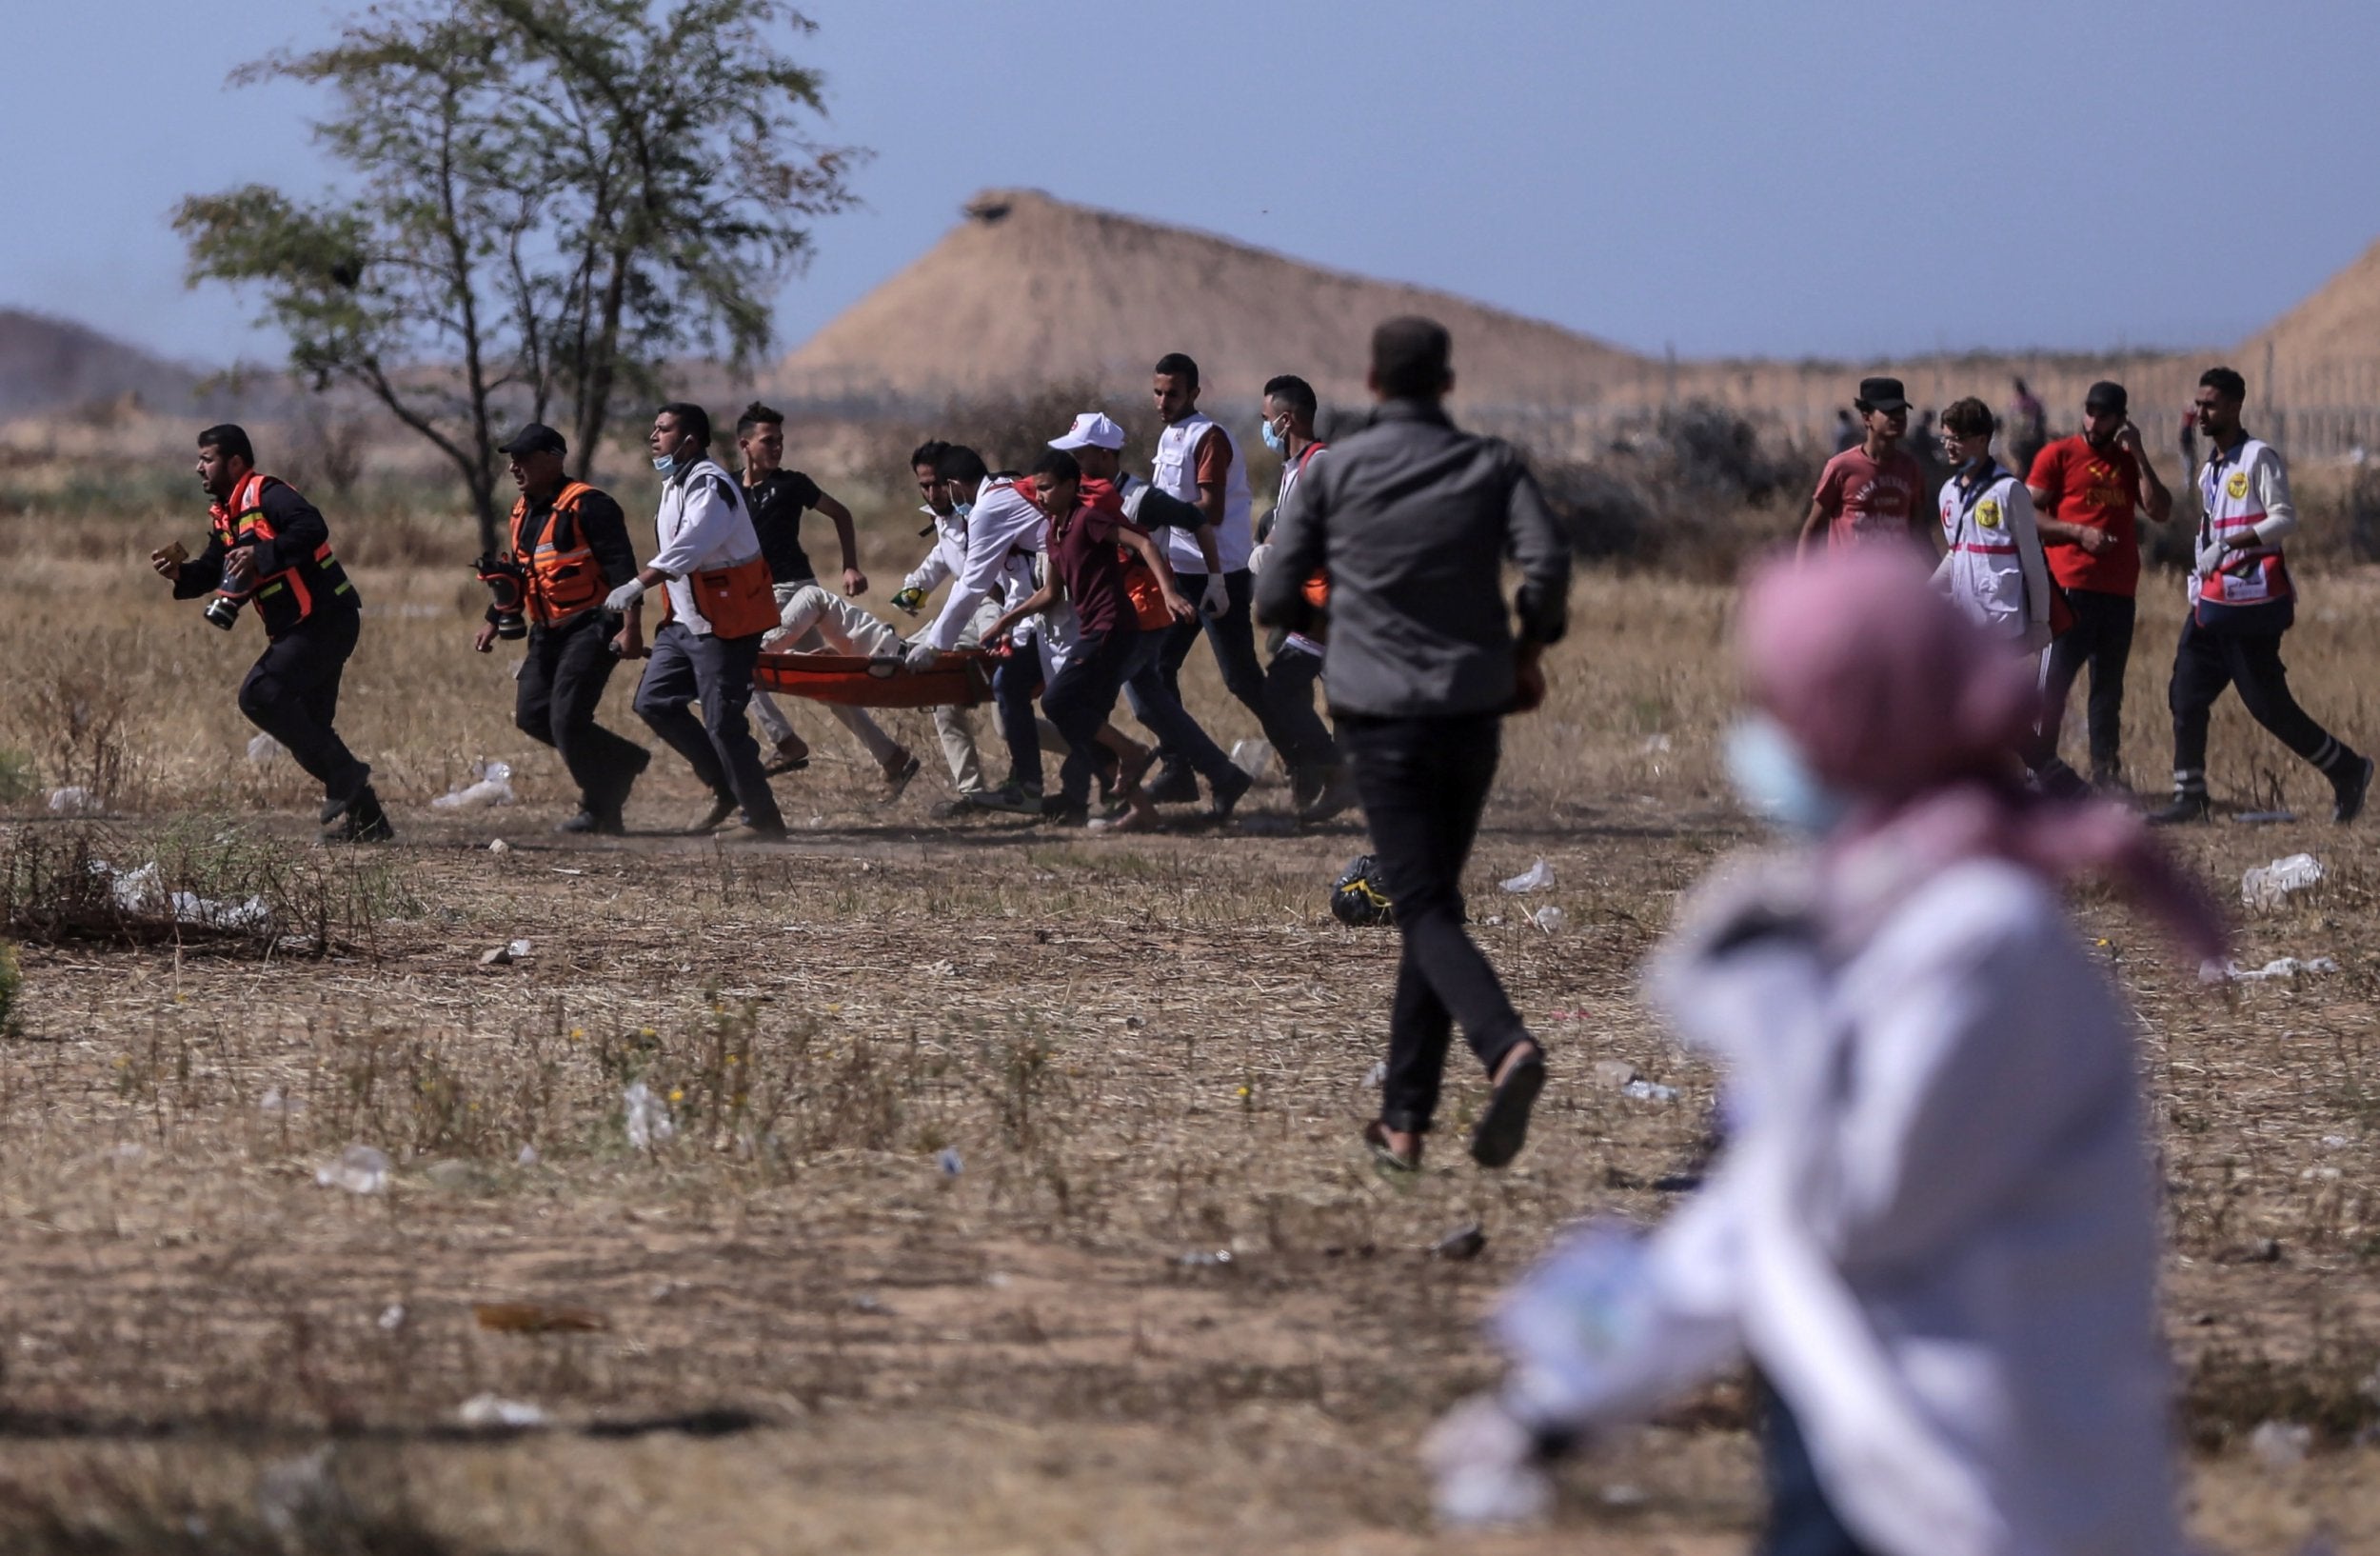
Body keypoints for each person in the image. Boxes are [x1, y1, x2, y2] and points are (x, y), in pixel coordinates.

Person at [1424, 548, 2225, 1556]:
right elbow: (1755, 1210)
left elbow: (1847, 1209)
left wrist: (1766, 1007)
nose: (1765, 738)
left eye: (1785, 706)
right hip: (1859, 1457)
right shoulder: (1876, 909)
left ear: (1861, 717)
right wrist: (1563, 1395)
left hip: (1980, 1495)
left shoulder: (1986, 941)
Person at [1259, 316, 1570, 1171]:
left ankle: (1505, 1046)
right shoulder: (1492, 465)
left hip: (1379, 712)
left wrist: (1348, 624)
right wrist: (1529, 653)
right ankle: (1404, 1126)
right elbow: (1547, 571)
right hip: (1473, 710)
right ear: (1448, 382)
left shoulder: (1337, 472)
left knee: (1426, 907)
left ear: (1371, 380)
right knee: (1433, 902)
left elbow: (1277, 592)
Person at [2151, 367, 2370, 825]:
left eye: (2210, 404)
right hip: (2211, 602)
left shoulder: (2257, 457)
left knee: (2268, 706)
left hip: (2248, 603)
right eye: (2198, 403)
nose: (2201, 412)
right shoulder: (2212, 466)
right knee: (2185, 694)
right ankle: (2189, 795)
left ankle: (2349, 769)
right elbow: (2208, 531)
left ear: (2234, 406)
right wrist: (2198, 577)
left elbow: (2283, 519)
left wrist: (2231, 545)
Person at [153, 424, 389, 842]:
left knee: (260, 695)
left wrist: (262, 554)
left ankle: (346, 775)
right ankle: (369, 821)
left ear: (236, 462)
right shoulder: (226, 514)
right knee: (311, 727)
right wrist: (180, 576)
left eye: (207, 459)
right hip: (304, 626)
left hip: (325, 620)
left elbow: (313, 527)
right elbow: (212, 568)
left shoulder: (268, 493)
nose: (198, 468)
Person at [1047, 411, 1251, 824]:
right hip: (1120, 615)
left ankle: (1117, 795)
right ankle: (1217, 774)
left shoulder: (1141, 497)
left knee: (1087, 703)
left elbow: (1200, 522)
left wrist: (1214, 579)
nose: (1074, 463)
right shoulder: (1084, 498)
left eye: (1080, 454)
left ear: (1104, 455)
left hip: (1141, 614)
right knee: (1149, 702)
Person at [980, 450, 1195, 826]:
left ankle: (1132, 751)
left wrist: (1170, 593)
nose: (1040, 496)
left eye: (1046, 488)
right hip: (1094, 629)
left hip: (1113, 627)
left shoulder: (1088, 519)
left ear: (1069, 486)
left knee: (1058, 700)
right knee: (1084, 724)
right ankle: (1142, 810)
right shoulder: (1054, 531)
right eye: (1036, 490)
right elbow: (1049, 594)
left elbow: (1144, 545)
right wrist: (1006, 621)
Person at [606, 403, 786, 842]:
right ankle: (726, 786)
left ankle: (763, 820)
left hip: (726, 625)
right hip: (685, 622)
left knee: (724, 724)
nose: (653, 436)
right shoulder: (675, 484)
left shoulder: (710, 486)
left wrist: (636, 585)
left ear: (689, 440)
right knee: (654, 701)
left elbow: (689, 549)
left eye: (663, 429)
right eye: (654, 427)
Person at [735, 403, 922, 798]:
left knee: (738, 668)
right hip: (755, 599)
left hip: (796, 594)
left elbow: (841, 513)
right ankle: (893, 758)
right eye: (768, 441)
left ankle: (785, 742)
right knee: (826, 686)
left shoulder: (792, 484)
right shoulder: (729, 490)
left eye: (781, 441)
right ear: (744, 444)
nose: (777, 448)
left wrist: (850, 566)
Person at [473, 423, 649, 834]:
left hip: (593, 625)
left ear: (554, 458)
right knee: (533, 715)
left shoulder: (590, 505)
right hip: (547, 630)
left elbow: (624, 571)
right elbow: (518, 574)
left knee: (567, 718)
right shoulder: (522, 511)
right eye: (512, 460)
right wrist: (493, 618)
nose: (515, 467)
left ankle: (601, 807)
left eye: (525, 459)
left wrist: (632, 628)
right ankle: (623, 760)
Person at [1143, 352, 1302, 807]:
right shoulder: (1170, 436)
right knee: (1157, 668)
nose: (1162, 401)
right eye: (1157, 392)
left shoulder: (1208, 437)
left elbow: (1209, 511)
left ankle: (1302, 756)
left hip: (1220, 576)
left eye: (1172, 393)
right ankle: (1177, 768)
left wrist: (1152, 512)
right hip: (1181, 571)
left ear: (1194, 392)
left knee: (1240, 678)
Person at [907, 444, 1070, 814]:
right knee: (1017, 690)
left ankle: (1110, 764)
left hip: (1055, 613)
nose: (935, 496)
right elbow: (948, 563)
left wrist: (934, 647)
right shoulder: (1005, 490)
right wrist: (911, 594)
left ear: (953, 485)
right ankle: (1044, 783)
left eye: (940, 488)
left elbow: (972, 585)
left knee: (1057, 701)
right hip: (1032, 614)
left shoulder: (987, 509)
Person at [2025, 381, 2172, 789]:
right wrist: (2076, 532)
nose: (2093, 421)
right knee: (2053, 687)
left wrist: (2139, 454)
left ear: (2121, 419)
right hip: (2071, 589)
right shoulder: (2060, 455)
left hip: (2119, 594)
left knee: (2107, 692)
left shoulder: (2127, 463)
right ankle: (2040, 772)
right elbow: (2024, 512)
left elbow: (2160, 509)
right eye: (2089, 411)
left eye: (2103, 414)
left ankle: (2106, 774)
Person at [1252, 374, 1354, 822]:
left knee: (1282, 687)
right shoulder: (1294, 471)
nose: (1264, 427)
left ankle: (1331, 773)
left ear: (1285, 418)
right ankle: (1331, 778)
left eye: (1265, 419)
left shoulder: (1321, 465)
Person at [1931, 397, 2053, 653]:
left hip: (2003, 626)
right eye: (1946, 439)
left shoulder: (2008, 491)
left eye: (1958, 439)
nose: (1949, 447)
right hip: (1963, 624)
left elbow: (2032, 559)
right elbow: (1957, 552)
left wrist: (2040, 621)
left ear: (1982, 440)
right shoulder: (1948, 493)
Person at [1798, 377, 1933, 556]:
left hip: (1893, 580)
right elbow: (1812, 530)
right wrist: (1801, 580)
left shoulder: (1910, 468)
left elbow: (1918, 532)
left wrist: (1944, 579)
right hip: (1849, 580)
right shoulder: (1842, 467)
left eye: (1902, 411)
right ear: (1867, 418)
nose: (1898, 418)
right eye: (1889, 412)